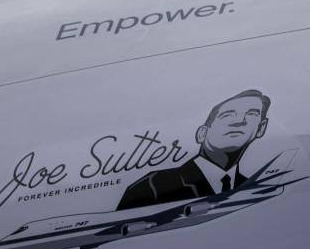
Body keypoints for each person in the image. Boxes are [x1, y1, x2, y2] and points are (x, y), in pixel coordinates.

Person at [116, 89, 270, 210]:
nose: (239, 122)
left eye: (251, 114)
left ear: (261, 128)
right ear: (202, 133)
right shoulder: (152, 186)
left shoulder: (253, 184)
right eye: (227, 115)